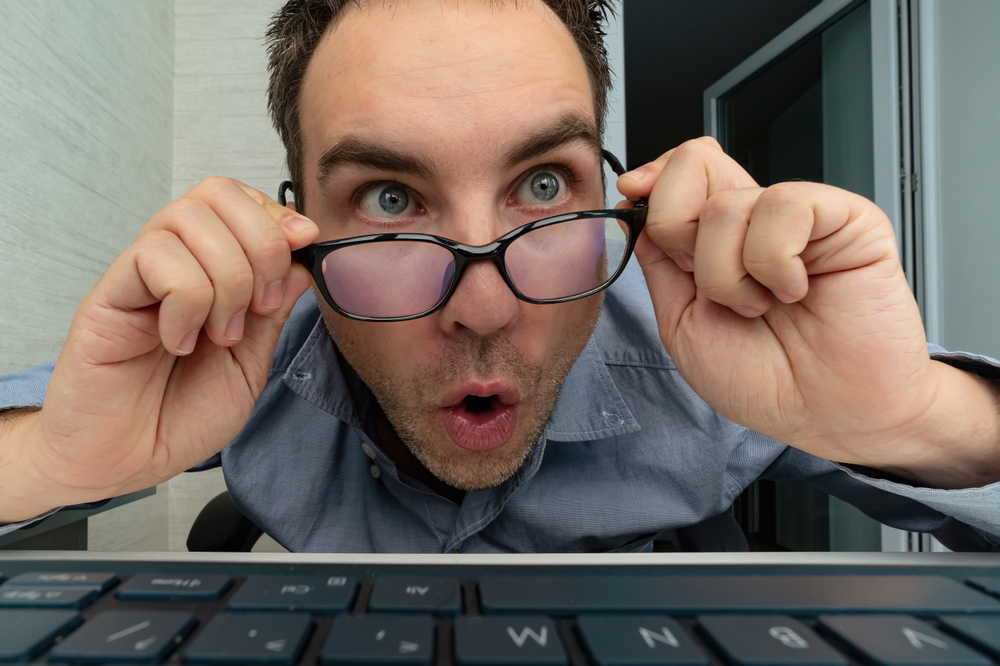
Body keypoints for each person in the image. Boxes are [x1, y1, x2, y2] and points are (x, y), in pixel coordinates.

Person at [1, 0, 998, 552]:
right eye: (390, 199)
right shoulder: (241, 347)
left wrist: (909, 419)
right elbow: (53, 438)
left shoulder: (721, 363)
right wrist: (55, 460)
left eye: (541, 183)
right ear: (292, 228)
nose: (483, 306)